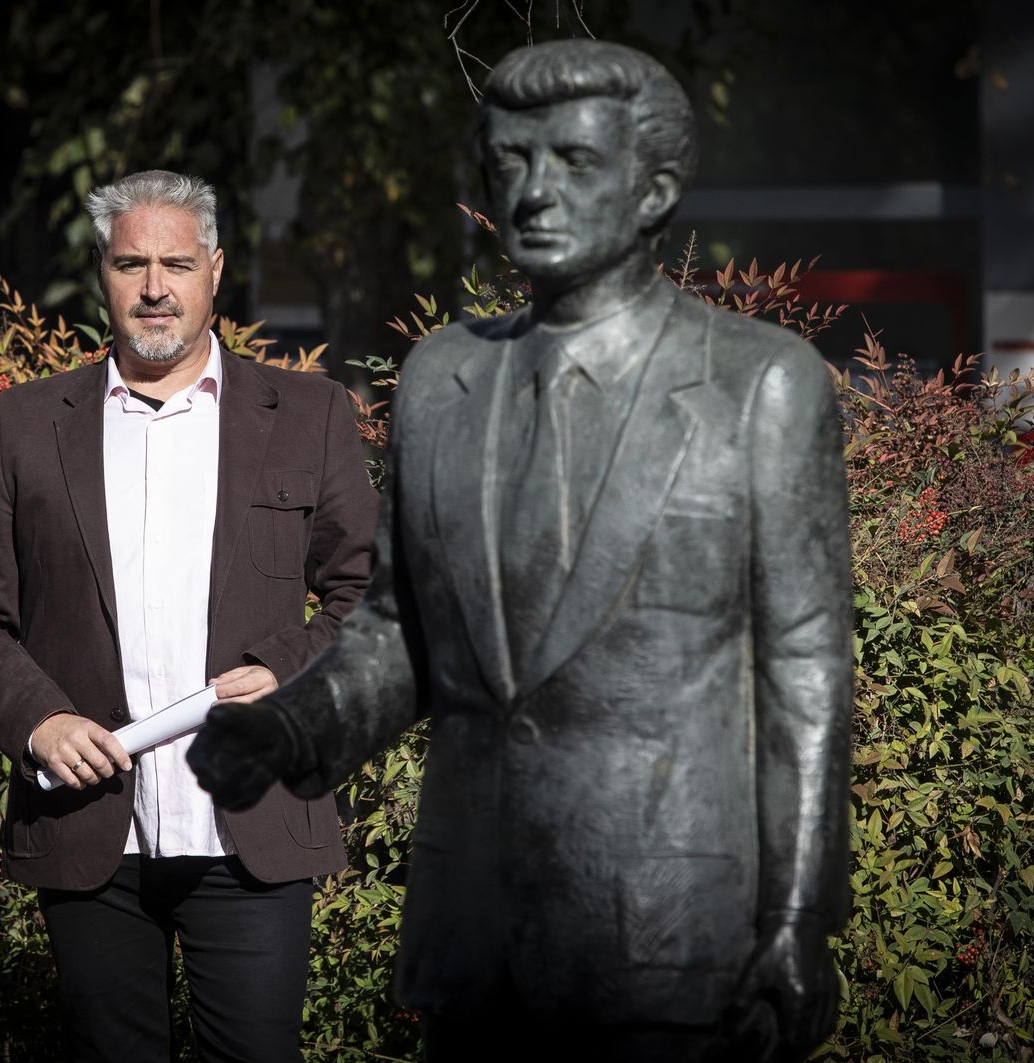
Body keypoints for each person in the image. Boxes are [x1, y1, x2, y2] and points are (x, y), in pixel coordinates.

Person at [188, 40, 853, 1063]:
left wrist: (799, 918)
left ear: (654, 190)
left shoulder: (759, 384)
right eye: (511, 162)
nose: (534, 192)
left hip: (675, 940)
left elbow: (803, 670)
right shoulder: (439, 380)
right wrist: (288, 727)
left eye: (575, 162)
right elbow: (399, 631)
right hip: (475, 936)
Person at [0, 169, 376, 1062]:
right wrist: (40, 720)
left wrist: (288, 673)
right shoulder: (26, 425)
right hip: (91, 826)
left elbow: (372, 596)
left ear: (216, 270)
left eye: (177, 264)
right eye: (132, 264)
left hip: (251, 822)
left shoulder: (309, 415)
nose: (155, 288)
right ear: (103, 272)